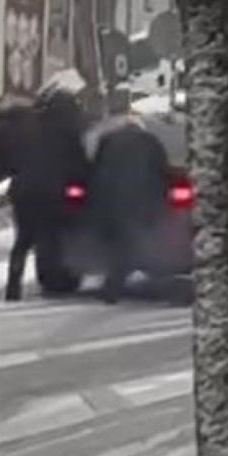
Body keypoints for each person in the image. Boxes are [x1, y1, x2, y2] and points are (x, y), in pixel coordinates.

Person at [2, 83, 89, 301]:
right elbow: (79, 164)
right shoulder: (69, 133)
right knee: (56, 233)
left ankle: (13, 287)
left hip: (25, 190)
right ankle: (58, 275)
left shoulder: (29, 127)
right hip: (55, 192)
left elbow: (13, 158)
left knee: (22, 241)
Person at [89, 98, 170, 303]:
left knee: (117, 243)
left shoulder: (108, 140)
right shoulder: (151, 142)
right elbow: (162, 172)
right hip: (138, 200)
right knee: (130, 243)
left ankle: (113, 284)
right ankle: (114, 287)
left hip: (109, 199)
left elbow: (95, 168)